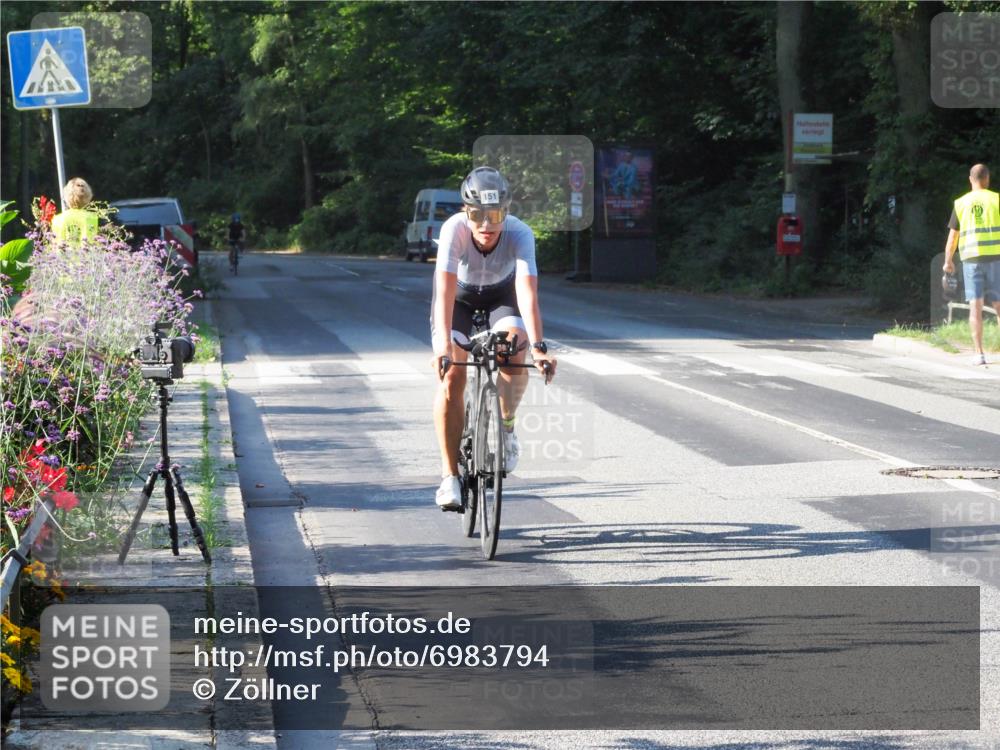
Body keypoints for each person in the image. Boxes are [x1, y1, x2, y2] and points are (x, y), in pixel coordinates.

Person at [430, 167, 557, 509]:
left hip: (502, 295)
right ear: (464, 211)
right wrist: (443, 345)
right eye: (477, 215)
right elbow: (443, 291)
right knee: (452, 374)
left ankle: (507, 426)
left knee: (515, 351)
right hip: (459, 298)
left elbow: (527, 294)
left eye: (496, 215)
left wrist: (539, 347)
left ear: (508, 211)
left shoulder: (520, 233)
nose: (486, 225)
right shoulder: (453, 230)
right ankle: (449, 477)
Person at [943, 163, 1000, 365]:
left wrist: (948, 261)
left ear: (970, 179)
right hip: (996, 259)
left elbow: (952, 239)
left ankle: (979, 353)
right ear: (987, 179)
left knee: (975, 307)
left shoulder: (961, 203)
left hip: (972, 261)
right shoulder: (997, 199)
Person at [50, 178, 98, 247]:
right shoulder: (91, 217)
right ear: (87, 195)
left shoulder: (57, 219)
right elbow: (89, 243)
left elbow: (57, 244)